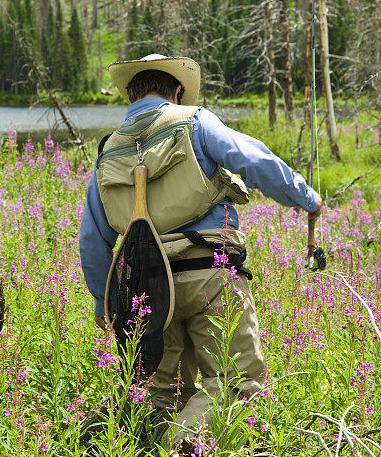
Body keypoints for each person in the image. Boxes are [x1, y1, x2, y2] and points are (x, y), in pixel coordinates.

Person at [79, 54, 322, 451]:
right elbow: (254, 160)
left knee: (162, 392)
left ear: (131, 95)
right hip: (212, 273)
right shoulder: (193, 120)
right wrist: (306, 199)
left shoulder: (109, 149)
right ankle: (184, 447)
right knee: (233, 383)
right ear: (175, 91)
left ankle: (102, 441)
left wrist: (105, 303)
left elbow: (93, 239)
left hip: (148, 290)